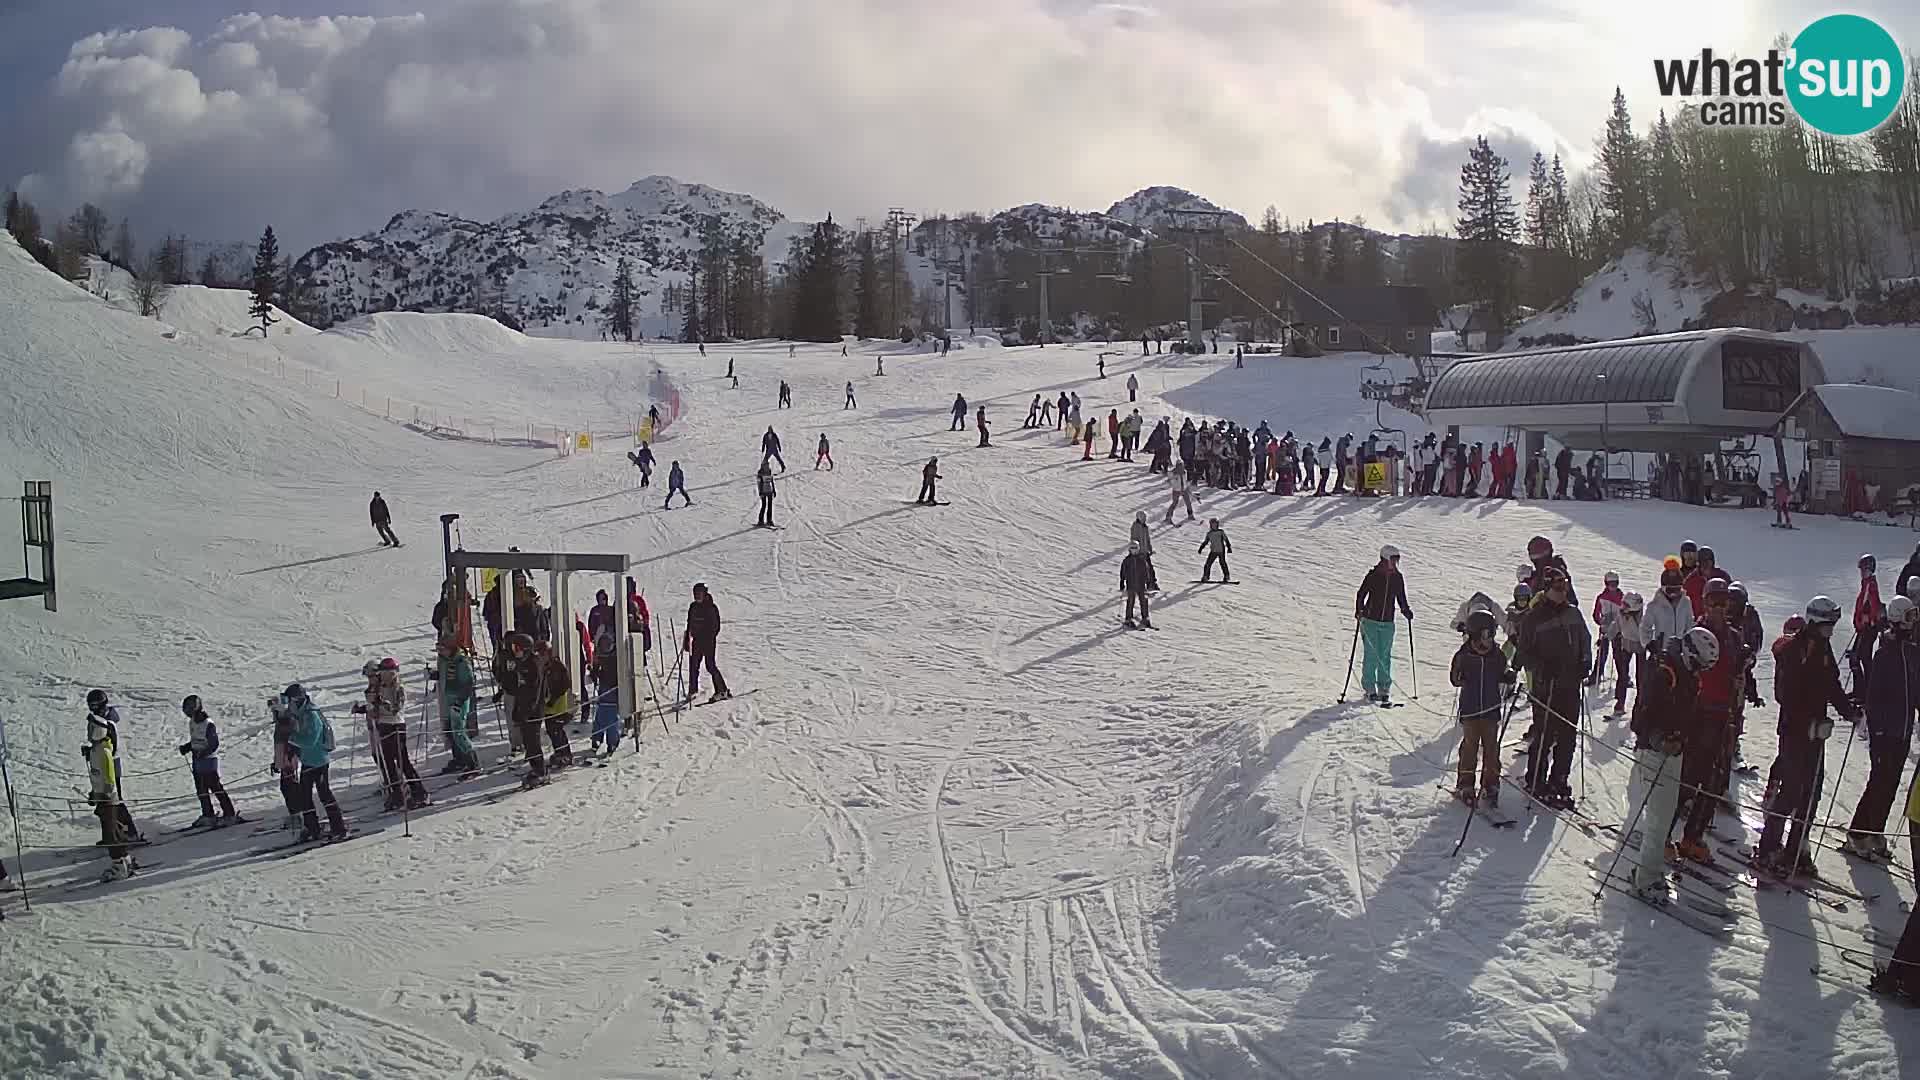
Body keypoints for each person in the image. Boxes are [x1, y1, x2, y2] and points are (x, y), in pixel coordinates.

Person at [1756, 597, 1860, 876]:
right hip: (1794, 732)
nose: (1830, 630)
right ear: (1814, 623)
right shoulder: (1795, 651)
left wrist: (1849, 712)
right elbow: (1785, 696)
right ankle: (1767, 848)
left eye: (1833, 625)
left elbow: (1832, 685)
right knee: (1791, 791)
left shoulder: (1823, 648)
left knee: (1811, 793)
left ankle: (1797, 848)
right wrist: (1809, 724)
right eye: (1827, 625)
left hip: (1816, 735)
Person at [1626, 627, 1719, 895]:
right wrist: (1659, 739)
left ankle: (1650, 871)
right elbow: (1641, 718)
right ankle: (1646, 880)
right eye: (1700, 664)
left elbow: (1688, 714)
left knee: (1664, 817)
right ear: (1690, 654)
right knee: (1658, 819)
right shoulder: (1664, 672)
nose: (1701, 671)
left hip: (1674, 752)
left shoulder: (1688, 675)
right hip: (1654, 753)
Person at [1672, 578, 1741, 863]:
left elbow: (1735, 674)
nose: (1717, 608)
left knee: (1714, 780)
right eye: (1713, 601)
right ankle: (1664, 832)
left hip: (1722, 713)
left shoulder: (1734, 636)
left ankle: (1693, 836)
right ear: (1704, 601)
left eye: (1723, 602)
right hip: (1699, 711)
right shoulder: (1696, 633)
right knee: (1689, 777)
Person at [1845, 595, 1920, 858]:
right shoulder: (1884, 653)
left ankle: (1875, 830)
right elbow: (1874, 696)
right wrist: (1875, 728)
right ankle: (1857, 833)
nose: (1913, 622)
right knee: (1879, 782)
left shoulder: (1911, 652)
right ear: (1898, 619)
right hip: (1884, 732)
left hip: (1902, 730)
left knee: (1891, 783)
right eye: (1909, 617)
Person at [1513, 567, 1590, 807]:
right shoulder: (1533, 618)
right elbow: (1523, 652)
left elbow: (1585, 640)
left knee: (1568, 735)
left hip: (1570, 685)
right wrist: (1541, 667)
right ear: (1546, 588)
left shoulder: (1573, 614)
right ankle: (1536, 780)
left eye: (1565, 584)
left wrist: (1585, 661)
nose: (1563, 589)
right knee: (1545, 734)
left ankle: (1560, 778)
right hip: (1547, 687)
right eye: (1558, 585)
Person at [1451, 608, 1516, 805]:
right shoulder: (1464, 655)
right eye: (1487, 635)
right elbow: (1455, 679)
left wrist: (1508, 676)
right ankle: (1465, 784)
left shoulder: (1496, 655)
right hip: (1471, 709)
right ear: (1475, 635)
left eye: (1492, 634)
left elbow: (1503, 672)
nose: (1490, 640)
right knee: (1470, 747)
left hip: (1490, 708)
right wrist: (1459, 676)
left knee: (1491, 748)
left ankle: (1490, 783)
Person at [359, 658, 427, 811]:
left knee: (402, 761)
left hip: (396, 726)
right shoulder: (380, 688)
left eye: (387, 673)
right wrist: (367, 709)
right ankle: (397, 794)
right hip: (383, 726)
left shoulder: (398, 688)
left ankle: (419, 792)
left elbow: (396, 708)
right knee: (388, 762)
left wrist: (383, 704)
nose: (382, 676)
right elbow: (374, 707)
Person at [282, 683, 349, 841]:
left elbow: (310, 740)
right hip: (308, 760)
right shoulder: (300, 713)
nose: (288, 704)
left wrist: (292, 739)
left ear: (297, 700)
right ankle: (313, 828)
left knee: (324, 794)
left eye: (289, 701)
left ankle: (339, 828)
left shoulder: (311, 714)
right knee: (304, 796)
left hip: (319, 761)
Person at [1355, 546, 1414, 704]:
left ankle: (1384, 688)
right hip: (1370, 621)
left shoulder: (1397, 577)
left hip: (1388, 622)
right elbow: (1361, 594)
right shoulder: (1373, 575)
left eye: (1397, 560)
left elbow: (1401, 597)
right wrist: (1359, 610)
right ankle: (1369, 688)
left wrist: (1405, 610)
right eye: (1393, 560)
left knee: (1385, 656)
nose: (1395, 563)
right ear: (1385, 559)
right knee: (1371, 655)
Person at [82, 690, 141, 842]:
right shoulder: (99, 718)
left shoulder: (109, 721)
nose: (93, 709)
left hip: (110, 764)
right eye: (90, 706)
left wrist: (96, 752)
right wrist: (91, 750)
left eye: (95, 705)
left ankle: (130, 832)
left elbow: (111, 747)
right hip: (101, 763)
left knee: (114, 801)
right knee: (104, 803)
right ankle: (110, 834)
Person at [86, 705, 135, 881]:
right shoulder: (96, 750)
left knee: (110, 834)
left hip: (108, 799)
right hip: (102, 798)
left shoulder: (104, 751)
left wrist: (102, 795)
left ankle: (119, 865)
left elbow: (109, 779)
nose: (90, 732)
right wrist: (94, 793)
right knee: (112, 831)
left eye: (93, 728)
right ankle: (125, 860)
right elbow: (96, 777)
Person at [176, 695, 239, 827]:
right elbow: (196, 740)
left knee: (215, 787)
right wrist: (187, 747)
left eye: (188, 709)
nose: (187, 713)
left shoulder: (207, 723)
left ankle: (229, 813)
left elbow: (214, 744)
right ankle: (208, 815)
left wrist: (203, 753)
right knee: (201, 789)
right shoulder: (193, 721)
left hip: (208, 761)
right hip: (197, 760)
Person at [497, 633, 551, 788]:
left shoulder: (534, 664)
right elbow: (517, 685)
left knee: (532, 741)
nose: (515, 651)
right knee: (527, 740)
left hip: (533, 710)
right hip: (523, 706)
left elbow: (535, 691)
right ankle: (535, 767)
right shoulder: (522, 662)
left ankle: (541, 771)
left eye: (518, 648)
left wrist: (527, 711)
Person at [684, 583, 732, 704]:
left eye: (699, 593)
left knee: (710, 665)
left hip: (708, 641)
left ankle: (722, 690)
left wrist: (706, 636)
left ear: (704, 594)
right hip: (696, 641)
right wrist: (687, 638)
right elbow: (689, 623)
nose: (696, 596)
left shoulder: (711, 608)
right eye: (695, 593)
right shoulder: (693, 607)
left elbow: (715, 627)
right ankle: (693, 690)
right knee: (693, 665)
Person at [437, 642, 480, 774]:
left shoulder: (461, 662)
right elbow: (446, 676)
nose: (440, 652)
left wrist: (460, 701)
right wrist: (436, 675)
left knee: (459, 732)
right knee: (451, 732)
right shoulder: (445, 661)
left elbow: (468, 683)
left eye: (442, 649)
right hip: (448, 699)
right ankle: (460, 760)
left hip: (459, 701)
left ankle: (473, 763)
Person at [1608, 592, 1647, 719]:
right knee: (1623, 674)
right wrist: (1608, 635)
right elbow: (1616, 626)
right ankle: (1620, 703)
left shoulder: (1643, 618)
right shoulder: (1622, 614)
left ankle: (1641, 703)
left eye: (1626, 605)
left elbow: (1649, 631)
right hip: (1626, 645)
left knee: (1640, 677)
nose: (1623, 607)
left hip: (1640, 646)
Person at [1852, 553, 1884, 699]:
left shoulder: (1870, 585)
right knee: (1859, 657)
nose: (1862, 573)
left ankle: (1865, 692)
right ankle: (1862, 691)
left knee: (1859, 657)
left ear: (1870, 570)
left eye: (1864, 570)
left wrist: (1868, 620)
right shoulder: (1867, 584)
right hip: (1863, 628)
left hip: (1867, 629)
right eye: (1861, 570)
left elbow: (1875, 605)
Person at [1590, 571, 1626, 688]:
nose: (1613, 586)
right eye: (1610, 584)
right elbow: (1596, 614)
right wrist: (1601, 623)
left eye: (1615, 584)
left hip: (1617, 630)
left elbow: (1626, 614)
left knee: (1618, 655)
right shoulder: (1601, 598)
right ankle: (1596, 675)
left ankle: (1624, 677)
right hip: (1605, 629)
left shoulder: (1622, 598)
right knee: (1602, 653)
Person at [1683, 545, 1731, 616]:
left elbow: (1732, 596)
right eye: (1703, 562)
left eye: (1708, 561)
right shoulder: (1691, 580)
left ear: (1712, 562)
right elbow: (1683, 599)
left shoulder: (1722, 576)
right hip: (1698, 621)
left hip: (1720, 618)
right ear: (1698, 563)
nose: (1705, 565)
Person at [1120, 541, 1154, 629]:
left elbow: (1146, 571)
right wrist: (1122, 582)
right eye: (1132, 548)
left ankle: (1145, 618)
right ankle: (1128, 619)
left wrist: (1148, 581)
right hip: (1131, 584)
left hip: (1141, 584)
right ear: (1129, 549)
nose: (1134, 550)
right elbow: (1123, 571)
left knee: (1144, 601)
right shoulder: (1127, 560)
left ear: (1138, 548)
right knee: (1130, 601)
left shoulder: (1141, 559)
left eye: (1135, 548)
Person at [1129, 512, 1158, 591]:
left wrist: (1150, 549)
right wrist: (1136, 551)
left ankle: (1152, 584)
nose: (1145, 519)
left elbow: (1147, 540)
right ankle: (1140, 585)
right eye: (1143, 518)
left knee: (1150, 568)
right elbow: (1134, 540)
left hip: (1145, 552)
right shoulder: (1135, 527)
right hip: (1139, 553)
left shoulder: (1145, 527)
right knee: (1141, 569)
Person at [1198, 518, 1233, 583]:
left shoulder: (1221, 532)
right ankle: (1206, 576)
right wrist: (1201, 548)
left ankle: (1226, 576)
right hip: (1213, 551)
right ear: (1211, 525)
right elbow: (1206, 542)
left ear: (1217, 524)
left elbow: (1226, 540)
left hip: (1221, 550)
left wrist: (1229, 547)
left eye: (1215, 524)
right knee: (1208, 564)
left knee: (1222, 563)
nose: (1214, 525)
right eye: (1212, 524)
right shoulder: (1209, 533)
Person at [1165, 458, 1194, 523]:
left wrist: (1187, 487)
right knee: (1174, 503)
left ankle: (1190, 514)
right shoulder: (1173, 473)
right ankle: (1168, 516)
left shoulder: (1184, 472)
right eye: (1179, 466)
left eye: (1182, 466)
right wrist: (1172, 478)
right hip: (1176, 490)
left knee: (1188, 502)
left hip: (1184, 489)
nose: (1181, 468)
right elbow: (1171, 483)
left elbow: (1185, 481)